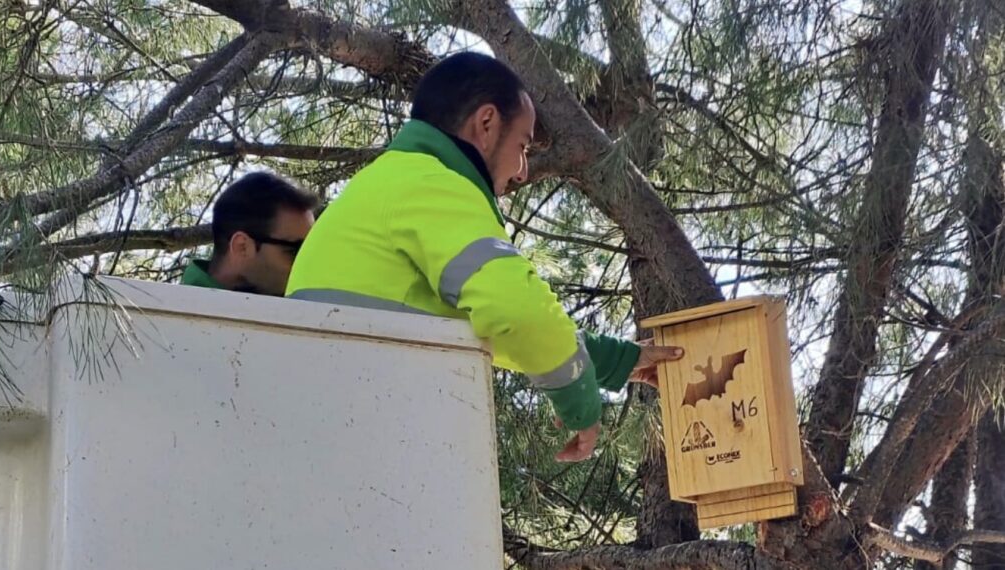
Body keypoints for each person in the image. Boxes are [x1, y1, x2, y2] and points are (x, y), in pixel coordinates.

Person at [285, 52, 683, 462]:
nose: (523, 171)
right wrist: (580, 399)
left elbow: (483, 326)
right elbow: (516, 312)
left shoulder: (386, 182)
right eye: (523, 145)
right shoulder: (430, 183)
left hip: (339, 438)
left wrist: (616, 360)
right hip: (371, 445)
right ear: (487, 123)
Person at [182, 171, 318, 296]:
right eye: (295, 251)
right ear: (242, 246)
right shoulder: (172, 316)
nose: (307, 265)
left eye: (311, 252)